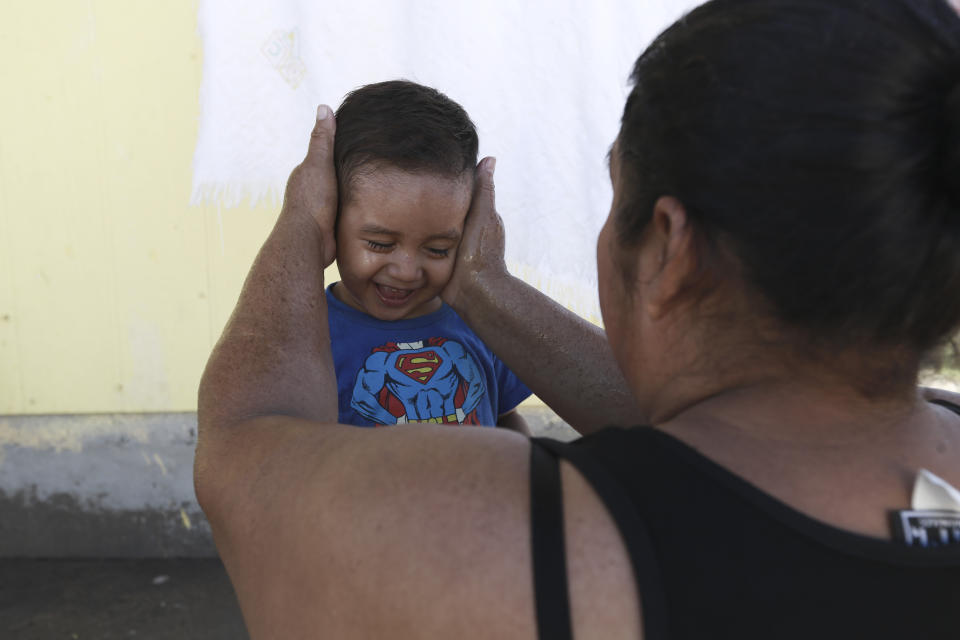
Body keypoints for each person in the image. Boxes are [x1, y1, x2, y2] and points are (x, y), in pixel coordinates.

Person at [194, 0, 960, 637]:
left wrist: (301, 228)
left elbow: (243, 449)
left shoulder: (524, 542)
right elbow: (719, 431)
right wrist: (481, 286)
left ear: (670, 248)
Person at [326, 80, 529, 430]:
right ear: (328, 218)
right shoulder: (307, 333)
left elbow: (503, 417)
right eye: (380, 244)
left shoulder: (483, 322)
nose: (406, 271)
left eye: (437, 249)